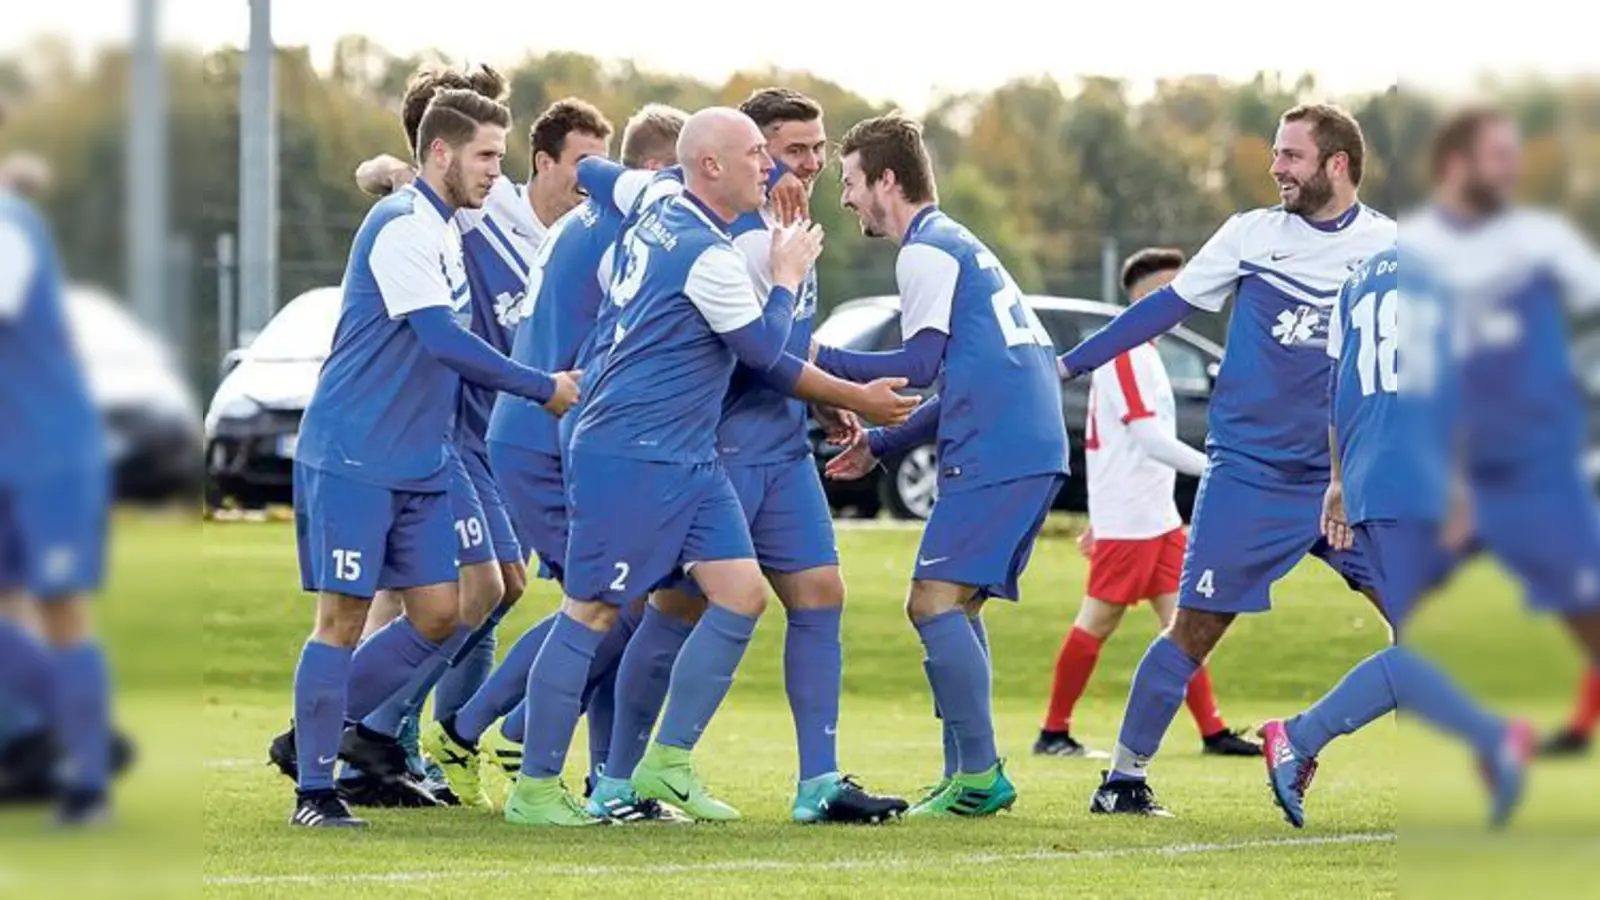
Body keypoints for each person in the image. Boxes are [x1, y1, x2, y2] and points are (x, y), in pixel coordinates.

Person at [1052, 104, 1396, 817]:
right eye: (1276, 154)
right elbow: (1163, 311)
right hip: (1251, 475)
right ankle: (1123, 779)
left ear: (1337, 164)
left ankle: (1308, 741)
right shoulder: (1250, 235)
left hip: (1350, 482)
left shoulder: (1394, 251)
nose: (1276, 168)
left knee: (1427, 633)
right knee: (1195, 628)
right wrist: (1073, 361)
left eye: (1291, 156)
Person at [582, 88, 910, 825]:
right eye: (791, 149)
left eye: (818, 149)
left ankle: (818, 782)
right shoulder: (729, 236)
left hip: (783, 452)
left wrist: (826, 402)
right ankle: (621, 775)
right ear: (745, 156)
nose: (809, 164)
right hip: (718, 448)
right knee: (673, 608)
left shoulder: (789, 225)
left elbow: (794, 345)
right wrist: (859, 399)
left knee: (821, 594)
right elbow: (760, 359)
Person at [284, 88, 578, 829]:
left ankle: (313, 729)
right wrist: (543, 388)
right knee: (342, 618)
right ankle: (314, 791)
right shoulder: (403, 226)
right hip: (356, 452)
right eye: (484, 155)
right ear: (441, 152)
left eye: (499, 157)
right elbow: (442, 341)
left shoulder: (447, 227)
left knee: (444, 612)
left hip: (420, 457)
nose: (494, 171)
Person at [423, 103, 691, 814]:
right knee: (608, 602)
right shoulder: (632, 232)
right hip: (552, 437)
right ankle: (483, 729)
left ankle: (602, 777)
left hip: (543, 432)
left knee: (619, 600)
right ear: (661, 173)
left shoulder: (587, 222)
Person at [817, 111, 1070, 818]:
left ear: (887, 180)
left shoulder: (925, 248)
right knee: (955, 605)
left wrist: (810, 358)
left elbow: (920, 365)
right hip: (1025, 443)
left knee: (929, 602)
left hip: (999, 447)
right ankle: (967, 773)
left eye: (852, 181)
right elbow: (963, 374)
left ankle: (980, 776)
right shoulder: (960, 243)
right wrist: (883, 443)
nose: (844, 199)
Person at [1260, 241, 1534, 830]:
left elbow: (1337, 392)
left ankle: (1493, 751)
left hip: (1370, 479)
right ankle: (1299, 737)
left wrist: (1336, 481)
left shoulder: (1359, 279)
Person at [1398, 105, 1600, 764]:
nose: (1512, 167)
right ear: (1457, 163)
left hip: (1542, 472)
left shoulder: (1540, 239)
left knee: (1589, 612)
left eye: (1514, 153)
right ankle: (1307, 738)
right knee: (1394, 606)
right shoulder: (1417, 248)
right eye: (1498, 155)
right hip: (1454, 474)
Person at [1035, 247, 1258, 760]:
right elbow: (1146, 438)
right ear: (1153, 297)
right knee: (1099, 620)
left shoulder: (1146, 352)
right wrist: (1216, 467)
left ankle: (1213, 732)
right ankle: (1053, 732)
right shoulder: (1130, 352)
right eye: (1178, 289)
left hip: (1154, 517)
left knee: (1185, 622)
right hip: (1132, 520)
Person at [0, 177, 117, 826]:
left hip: (51, 455)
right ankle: (49, 728)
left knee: (61, 612)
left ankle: (88, 778)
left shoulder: (9, 227)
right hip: (10, 452)